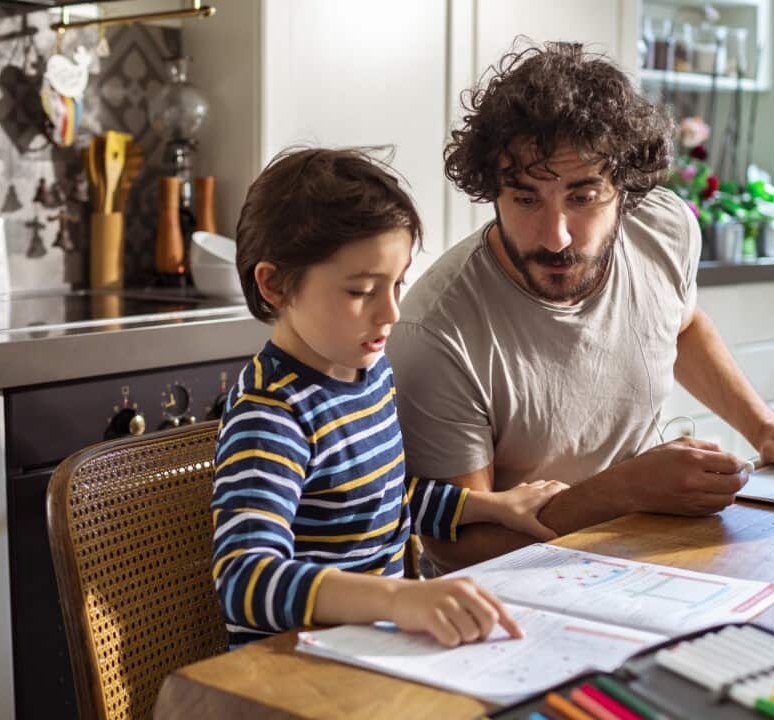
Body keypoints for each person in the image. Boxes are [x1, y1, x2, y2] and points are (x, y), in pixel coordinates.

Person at [386, 43, 774, 574]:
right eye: (526, 199)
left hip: (646, 545)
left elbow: (681, 324)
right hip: (516, 585)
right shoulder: (437, 332)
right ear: (491, 191)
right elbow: (457, 548)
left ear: (626, 188)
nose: (556, 237)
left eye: (583, 197)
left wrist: (763, 428)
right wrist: (623, 491)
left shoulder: (663, 225)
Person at [212, 147, 568, 648]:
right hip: (292, 668)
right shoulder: (273, 415)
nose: (391, 313)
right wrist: (396, 598)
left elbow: (382, 501)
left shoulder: (370, 373)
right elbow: (244, 581)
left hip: (373, 646)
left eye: (397, 284)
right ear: (275, 285)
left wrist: (490, 507)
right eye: (361, 291)